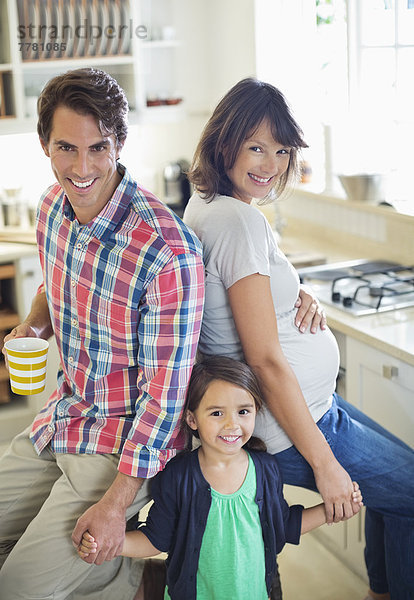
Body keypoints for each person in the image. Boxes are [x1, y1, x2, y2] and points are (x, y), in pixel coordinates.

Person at [183, 77, 414, 600]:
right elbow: (264, 360)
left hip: (307, 409)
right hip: (292, 423)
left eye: (282, 150)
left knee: (396, 493)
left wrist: (295, 294)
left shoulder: (206, 205)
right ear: (226, 144)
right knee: (410, 495)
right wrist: (327, 467)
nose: (271, 163)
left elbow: (242, 302)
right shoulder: (238, 222)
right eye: (256, 147)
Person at [0, 68, 204, 600]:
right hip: (64, 415)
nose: (82, 167)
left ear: (120, 143)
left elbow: (165, 404)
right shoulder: (51, 209)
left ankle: (120, 577)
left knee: (19, 588)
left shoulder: (166, 252)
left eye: (99, 147)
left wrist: (116, 507)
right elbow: (52, 288)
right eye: (66, 147)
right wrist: (33, 325)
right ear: (44, 144)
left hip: (120, 450)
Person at [77, 356, 364, 600]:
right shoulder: (177, 476)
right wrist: (111, 543)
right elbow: (156, 539)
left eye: (243, 411)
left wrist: (331, 511)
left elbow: (282, 527)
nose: (232, 424)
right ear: (192, 419)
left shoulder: (266, 469)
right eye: (216, 413)